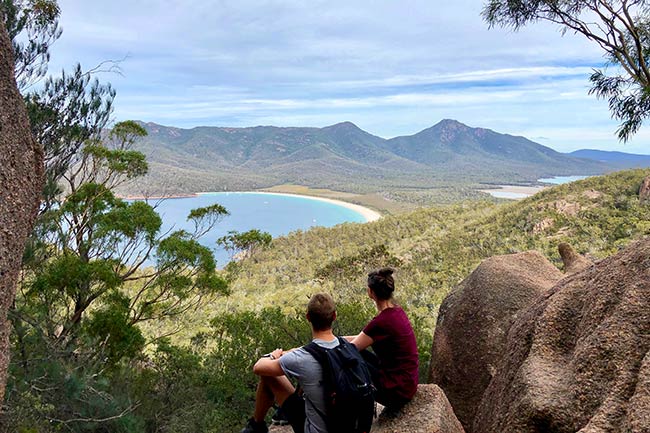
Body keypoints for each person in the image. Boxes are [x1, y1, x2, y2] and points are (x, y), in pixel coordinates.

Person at [240, 293, 339, 433]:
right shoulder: (348, 347)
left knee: (269, 375)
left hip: (316, 429)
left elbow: (258, 368)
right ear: (334, 316)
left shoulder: (303, 357)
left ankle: (256, 425)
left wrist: (273, 356)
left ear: (308, 317)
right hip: (350, 425)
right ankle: (268, 420)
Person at [348, 267, 419, 411]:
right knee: (355, 353)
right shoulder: (397, 312)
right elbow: (362, 339)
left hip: (396, 392)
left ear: (370, 292)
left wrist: (325, 342)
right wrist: (334, 338)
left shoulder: (381, 322)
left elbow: (350, 348)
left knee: (345, 358)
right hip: (407, 383)